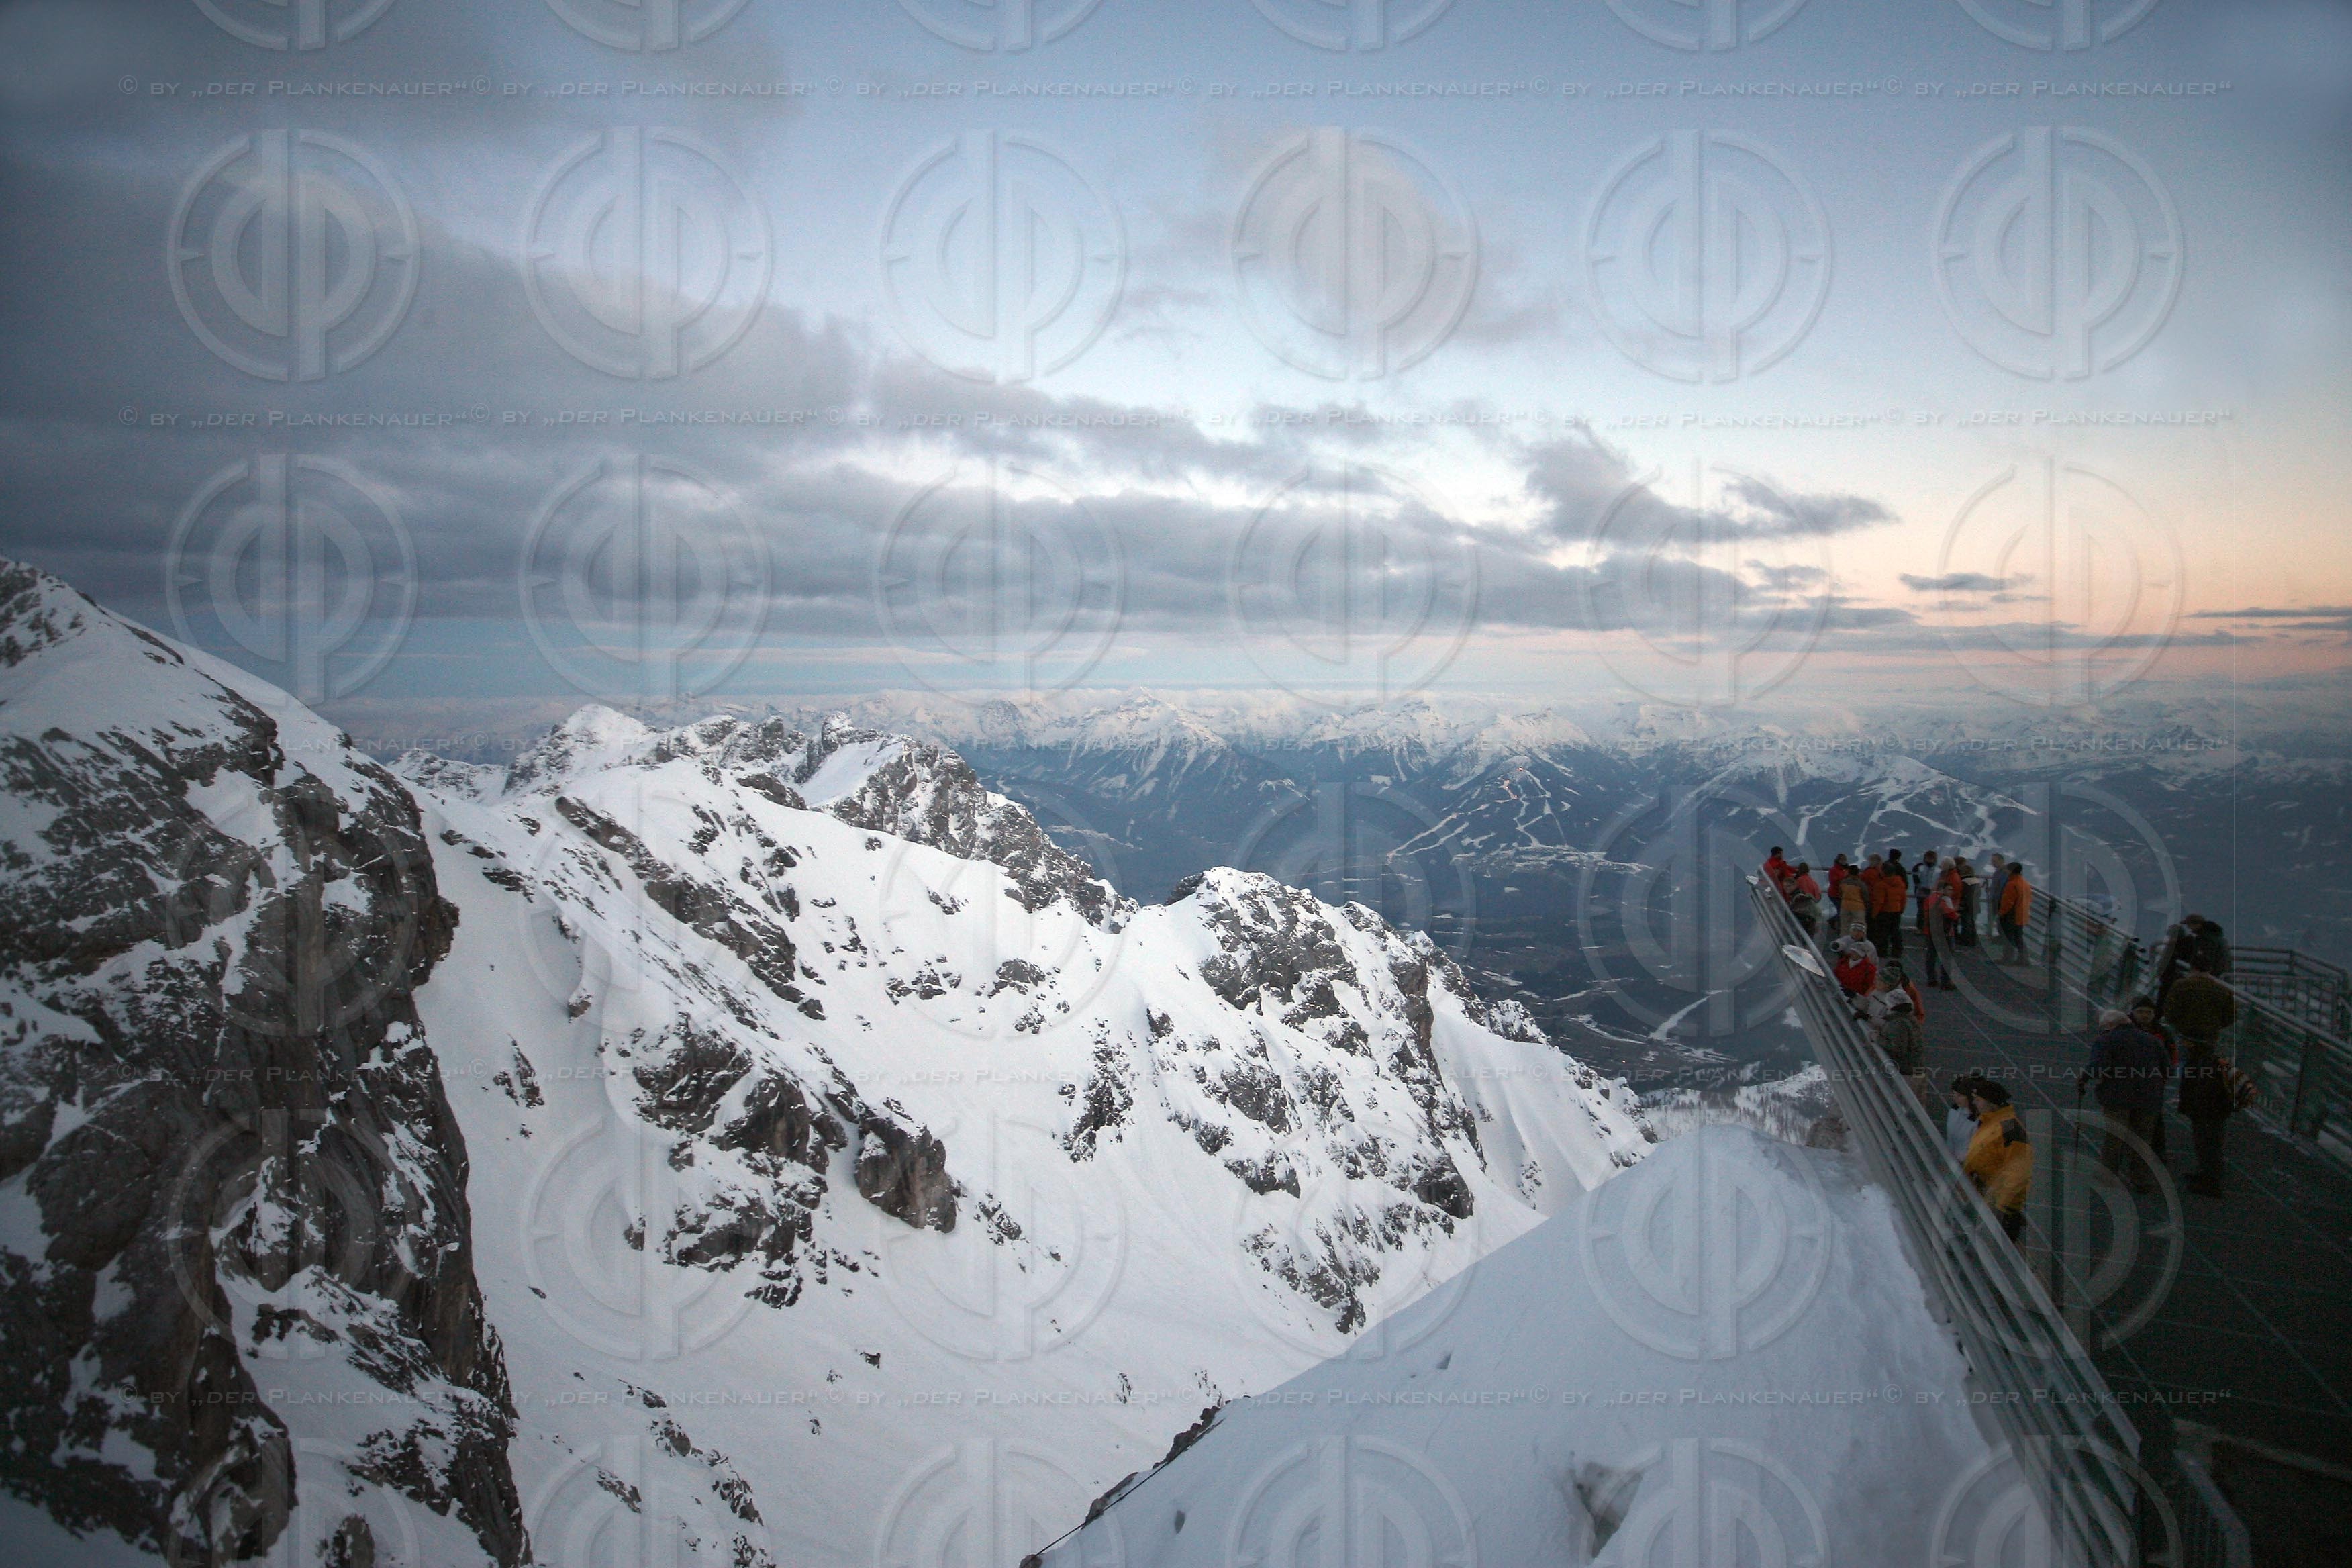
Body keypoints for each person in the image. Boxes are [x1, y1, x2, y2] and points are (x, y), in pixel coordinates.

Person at [2163, 954, 2240, 1196]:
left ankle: (2209, 1175)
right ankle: (2208, 1172)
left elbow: (2171, 1013)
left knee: (2196, 1091)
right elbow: (2231, 1017)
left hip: (2188, 1038)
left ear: (2193, 967)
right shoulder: (2222, 989)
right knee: (2206, 1087)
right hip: (2210, 1040)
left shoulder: (2182, 985)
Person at [2080, 1006, 2168, 1195]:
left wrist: (2083, 1078)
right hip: (2149, 1098)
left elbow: (2097, 1066)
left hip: (2117, 1096)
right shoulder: (2153, 1040)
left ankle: (2107, 1176)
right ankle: (2142, 1179)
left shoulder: (2107, 1040)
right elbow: (2167, 1068)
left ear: (2110, 1025)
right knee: (2143, 1139)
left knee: (2115, 1136)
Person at [1963, 1079, 2034, 1240]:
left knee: (1988, 1251)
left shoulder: (2010, 1131)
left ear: (1991, 1102)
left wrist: (2004, 1208)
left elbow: (2019, 1174)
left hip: (1998, 1206)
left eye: (1978, 1099)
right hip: (1984, 1196)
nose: (1974, 1103)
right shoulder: (1989, 1121)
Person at [1922, 875, 1959, 991]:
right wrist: (1956, 914)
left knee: (1931, 955)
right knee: (1946, 957)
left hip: (1931, 931)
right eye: (1949, 889)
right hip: (1945, 933)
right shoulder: (1943, 900)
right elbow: (1951, 914)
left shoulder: (1929, 899)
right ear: (1942, 890)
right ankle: (1946, 981)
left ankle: (1931, 979)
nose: (1952, 892)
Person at [1873, 850, 1910, 959]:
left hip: (1884, 911)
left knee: (1883, 933)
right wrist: (1901, 909)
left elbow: (1879, 901)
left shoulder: (1881, 885)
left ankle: (1882, 952)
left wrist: (1874, 914)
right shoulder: (1900, 883)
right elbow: (1903, 898)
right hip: (1896, 910)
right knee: (1895, 932)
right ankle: (1897, 951)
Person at [1997, 859, 2032, 963]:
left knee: (2008, 937)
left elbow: (2008, 902)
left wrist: (2001, 913)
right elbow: (2030, 899)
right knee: (2018, 937)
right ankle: (2024, 958)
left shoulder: (2012, 884)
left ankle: (2008, 958)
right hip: (2022, 915)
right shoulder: (2025, 883)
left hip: (2012, 915)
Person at [1945, 1074, 1982, 1162]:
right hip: (1949, 1161)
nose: (1956, 1098)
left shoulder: (1980, 1120)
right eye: (1954, 1094)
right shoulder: (1954, 1111)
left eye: (1960, 1096)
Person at [1832, 937, 1878, 1001]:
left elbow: (1869, 987)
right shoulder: (1843, 961)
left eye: (1856, 952)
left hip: (1854, 1000)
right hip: (1838, 995)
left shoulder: (1870, 969)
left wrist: (1857, 998)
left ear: (1862, 955)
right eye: (1852, 951)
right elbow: (1836, 974)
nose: (1853, 954)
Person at [1951, 855, 1981, 948]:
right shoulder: (1976, 881)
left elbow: (1962, 894)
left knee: (1965, 923)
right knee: (1971, 923)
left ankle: (1965, 940)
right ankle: (1972, 940)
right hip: (1974, 906)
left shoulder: (1964, 882)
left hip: (1965, 906)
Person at [1787, 861, 1822, 938]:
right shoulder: (1812, 881)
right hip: (1812, 909)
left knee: (1800, 932)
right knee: (1810, 933)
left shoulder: (1798, 881)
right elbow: (1818, 895)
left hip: (1801, 910)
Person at [1838, 863, 1869, 940]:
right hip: (1858, 908)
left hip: (1845, 906)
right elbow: (1865, 897)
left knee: (1845, 927)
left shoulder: (1843, 882)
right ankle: (1860, 944)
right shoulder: (1861, 884)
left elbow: (1840, 894)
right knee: (1860, 927)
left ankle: (1843, 944)